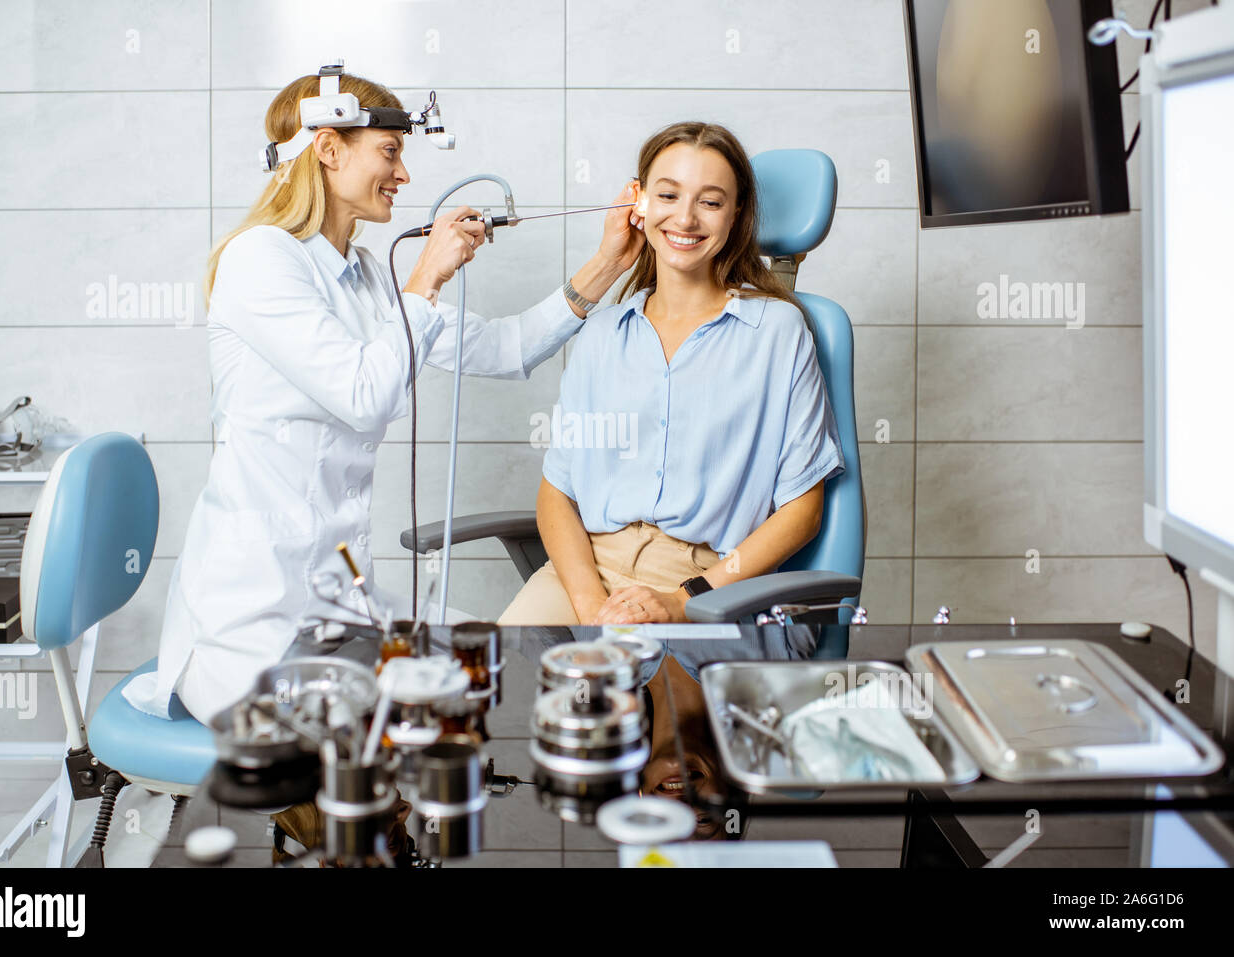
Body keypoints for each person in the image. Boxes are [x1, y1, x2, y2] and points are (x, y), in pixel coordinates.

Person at [123, 69, 642, 723]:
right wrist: (427, 274)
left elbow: (507, 348)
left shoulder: (367, 276)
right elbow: (361, 393)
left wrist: (610, 261)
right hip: (251, 623)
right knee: (406, 734)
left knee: (503, 670)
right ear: (329, 149)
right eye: (390, 152)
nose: (403, 175)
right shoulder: (260, 259)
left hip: (336, 606)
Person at [499, 121, 843, 626]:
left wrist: (688, 598)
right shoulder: (602, 334)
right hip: (585, 573)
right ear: (638, 203)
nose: (685, 217)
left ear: (736, 215)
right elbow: (557, 492)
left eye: (710, 201)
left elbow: (802, 512)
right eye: (667, 195)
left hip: (709, 583)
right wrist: (591, 605)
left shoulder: (776, 330)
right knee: (496, 683)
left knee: (644, 695)